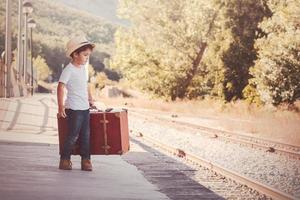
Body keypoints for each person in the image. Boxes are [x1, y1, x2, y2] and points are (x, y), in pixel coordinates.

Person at [57, 36, 95, 171]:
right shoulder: (69, 69)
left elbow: (85, 85)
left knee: (86, 135)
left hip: (84, 109)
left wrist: (90, 99)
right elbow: (61, 86)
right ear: (75, 54)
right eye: (85, 55)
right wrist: (61, 106)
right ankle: (65, 160)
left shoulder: (82, 69)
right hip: (73, 109)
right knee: (73, 135)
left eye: (88, 55)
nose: (86, 58)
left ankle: (86, 161)